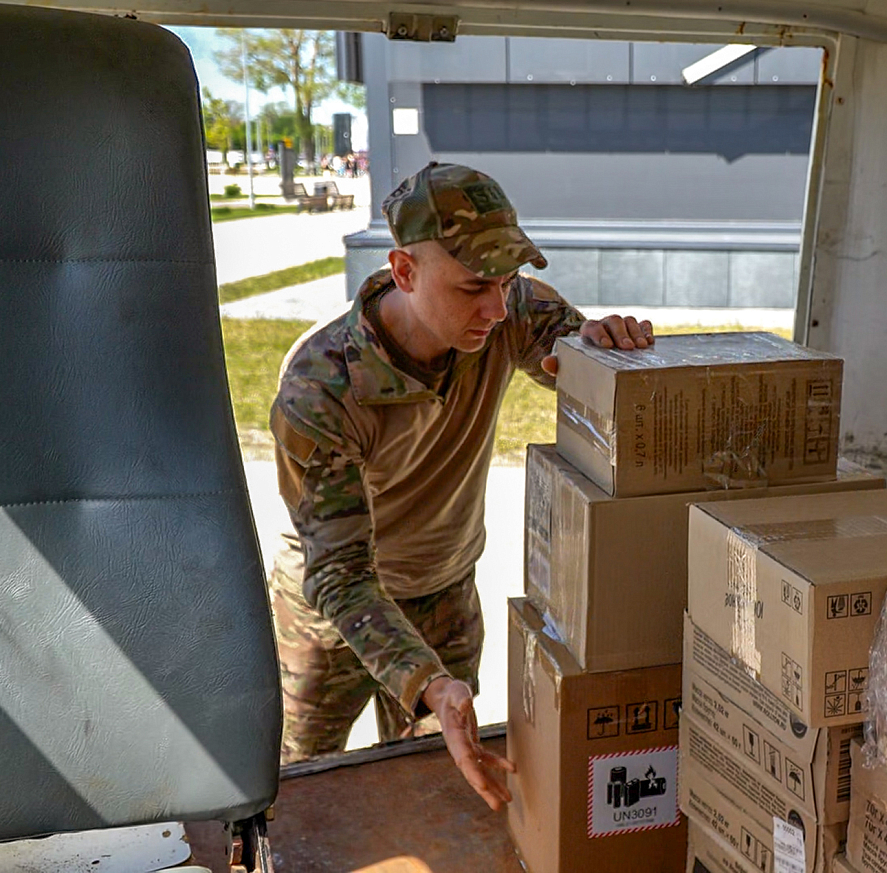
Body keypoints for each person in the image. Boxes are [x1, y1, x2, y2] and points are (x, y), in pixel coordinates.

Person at [268, 161, 653, 811]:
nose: (498, 307)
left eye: (506, 281)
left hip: (444, 590)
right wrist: (424, 680)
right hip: (334, 618)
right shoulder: (321, 389)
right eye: (475, 286)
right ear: (405, 271)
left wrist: (599, 350)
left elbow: (568, 352)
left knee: (445, 783)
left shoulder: (509, 310)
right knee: (308, 789)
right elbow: (338, 575)